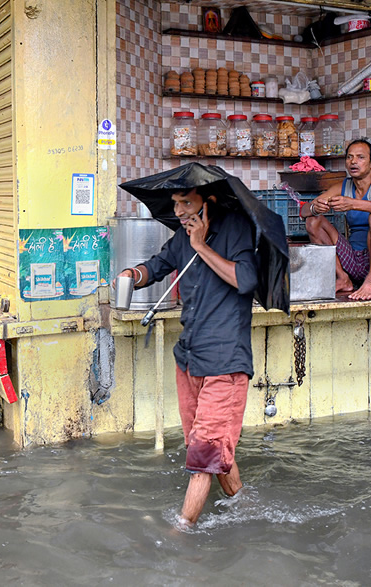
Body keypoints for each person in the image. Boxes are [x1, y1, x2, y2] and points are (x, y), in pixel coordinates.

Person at [117, 187, 258, 528]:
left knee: (203, 456)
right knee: (205, 446)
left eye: (186, 202)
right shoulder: (182, 237)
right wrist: (133, 275)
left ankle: (181, 533)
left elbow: (245, 279)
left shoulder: (234, 228)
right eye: (176, 203)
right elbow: (158, 265)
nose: (178, 210)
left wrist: (201, 246)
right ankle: (245, 509)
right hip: (190, 359)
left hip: (225, 362)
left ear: (207, 203)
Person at [301, 139, 371, 301]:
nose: (353, 162)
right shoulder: (343, 186)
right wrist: (315, 208)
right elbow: (304, 211)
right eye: (349, 157)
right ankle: (343, 278)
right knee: (313, 221)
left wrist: (354, 204)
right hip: (354, 262)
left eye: (360, 157)